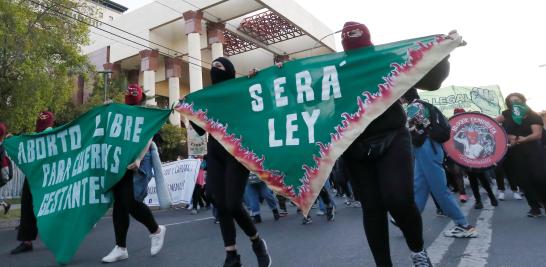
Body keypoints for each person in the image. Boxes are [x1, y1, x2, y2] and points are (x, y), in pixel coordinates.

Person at [340, 21, 451, 267]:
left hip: (392, 136)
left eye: (364, 49)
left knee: (399, 199)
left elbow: (430, 82)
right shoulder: (336, 71)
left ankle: (418, 251)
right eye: (354, 49)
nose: (360, 55)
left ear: (371, 44)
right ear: (345, 49)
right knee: (372, 208)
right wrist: (277, 74)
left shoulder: (388, 60)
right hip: (354, 144)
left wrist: (443, 51)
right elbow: (301, 96)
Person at [189, 57, 271, 267]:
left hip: (237, 152)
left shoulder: (241, 90)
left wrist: (254, 81)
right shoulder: (208, 97)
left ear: (230, 71)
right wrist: (190, 110)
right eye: (212, 66)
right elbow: (199, 130)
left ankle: (257, 242)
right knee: (219, 202)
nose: (215, 70)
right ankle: (231, 255)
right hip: (215, 152)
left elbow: (260, 106)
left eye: (220, 66)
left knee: (233, 203)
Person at [102, 84, 166, 263]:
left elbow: (148, 137)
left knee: (131, 201)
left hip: (138, 161)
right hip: (120, 162)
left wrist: (138, 159)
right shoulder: (121, 112)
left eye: (134, 101)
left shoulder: (145, 114)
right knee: (120, 204)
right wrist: (108, 109)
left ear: (141, 100)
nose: (131, 105)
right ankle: (120, 247)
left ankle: (156, 231)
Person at [402, 88, 477, 239]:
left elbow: (416, 130)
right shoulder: (422, 104)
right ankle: (409, 221)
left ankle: (463, 225)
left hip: (425, 148)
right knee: (419, 186)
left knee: (440, 190)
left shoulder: (413, 106)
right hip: (428, 148)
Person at [11, 111, 54, 254]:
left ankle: (59, 236)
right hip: (34, 175)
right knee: (28, 204)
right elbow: (24, 143)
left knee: (53, 206)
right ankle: (27, 240)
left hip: (51, 175)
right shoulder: (34, 137)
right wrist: (13, 140)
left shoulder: (57, 136)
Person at [496, 92, 546, 217]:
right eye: (511, 101)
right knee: (523, 181)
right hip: (514, 153)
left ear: (523, 101)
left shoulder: (533, 115)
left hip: (533, 152)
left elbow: (537, 134)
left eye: (517, 100)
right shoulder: (506, 114)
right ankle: (534, 208)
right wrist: (506, 136)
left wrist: (519, 139)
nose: (514, 102)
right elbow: (492, 124)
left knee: (540, 179)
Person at [0, 122, 12, 215]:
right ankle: (5, 205)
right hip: (4, 175)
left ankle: (5, 205)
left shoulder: (1, 147)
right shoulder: (2, 145)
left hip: (2, 175)